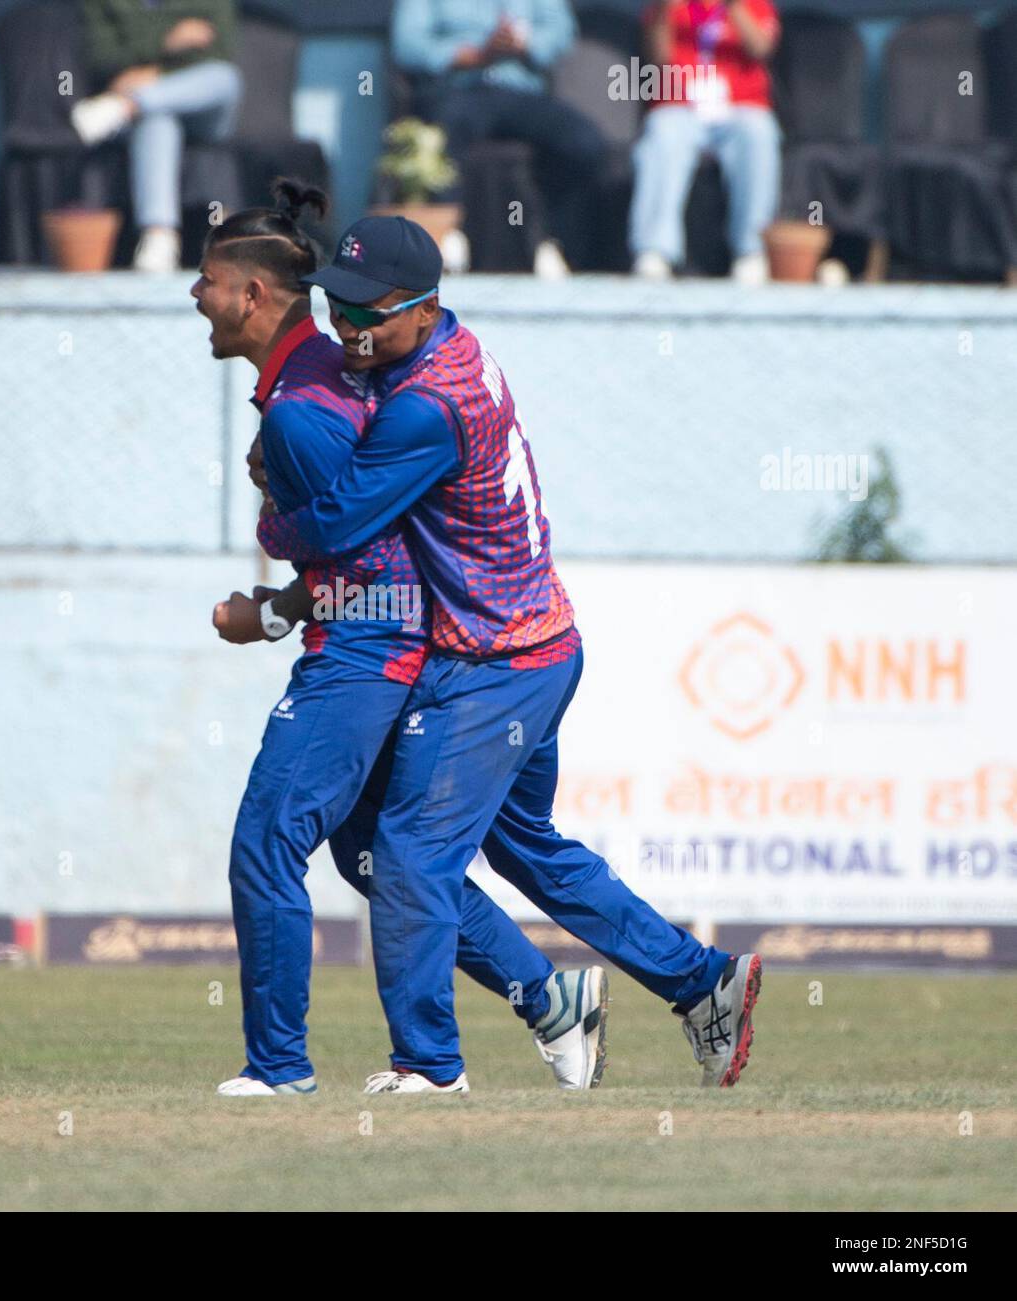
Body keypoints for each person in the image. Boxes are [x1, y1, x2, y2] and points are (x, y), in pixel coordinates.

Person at [229, 215, 762, 1093]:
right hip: (538, 647)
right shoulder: (444, 355)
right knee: (530, 851)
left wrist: (269, 520)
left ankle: (429, 1066)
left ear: (422, 306)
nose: (346, 327)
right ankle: (702, 981)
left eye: (366, 313)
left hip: (493, 664)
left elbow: (337, 523)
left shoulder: (424, 404)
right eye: (336, 302)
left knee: (405, 855)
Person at [195, 182, 609, 1096]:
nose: (196, 295)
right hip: (389, 646)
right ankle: (549, 998)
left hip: (363, 653)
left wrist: (272, 592)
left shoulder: (301, 407)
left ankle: (281, 1068)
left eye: (208, 279)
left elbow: (365, 549)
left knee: (268, 841)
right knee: (372, 854)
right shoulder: (315, 376)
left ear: (255, 294)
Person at [390, 0, 602, 278]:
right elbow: (407, 45)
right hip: (456, 89)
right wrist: (474, 55)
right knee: (443, 136)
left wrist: (524, 43)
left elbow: (561, 32)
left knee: (584, 144)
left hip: (521, 92)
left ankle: (554, 241)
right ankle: (448, 238)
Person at [73, 0, 243, 273]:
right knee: (157, 119)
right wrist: (168, 40)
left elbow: (218, 50)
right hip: (147, 111)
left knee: (225, 77)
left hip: (202, 109)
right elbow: (103, 56)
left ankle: (125, 106)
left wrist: (153, 72)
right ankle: (158, 236)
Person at [629, 0, 782, 284]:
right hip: (681, 105)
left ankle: (751, 250)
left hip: (739, 107)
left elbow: (761, 49)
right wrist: (665, 11)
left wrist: (733, 6)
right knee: (662, 132)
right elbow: (657, 60)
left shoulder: (754, 4)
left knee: (760, 133)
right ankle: (655, 250)